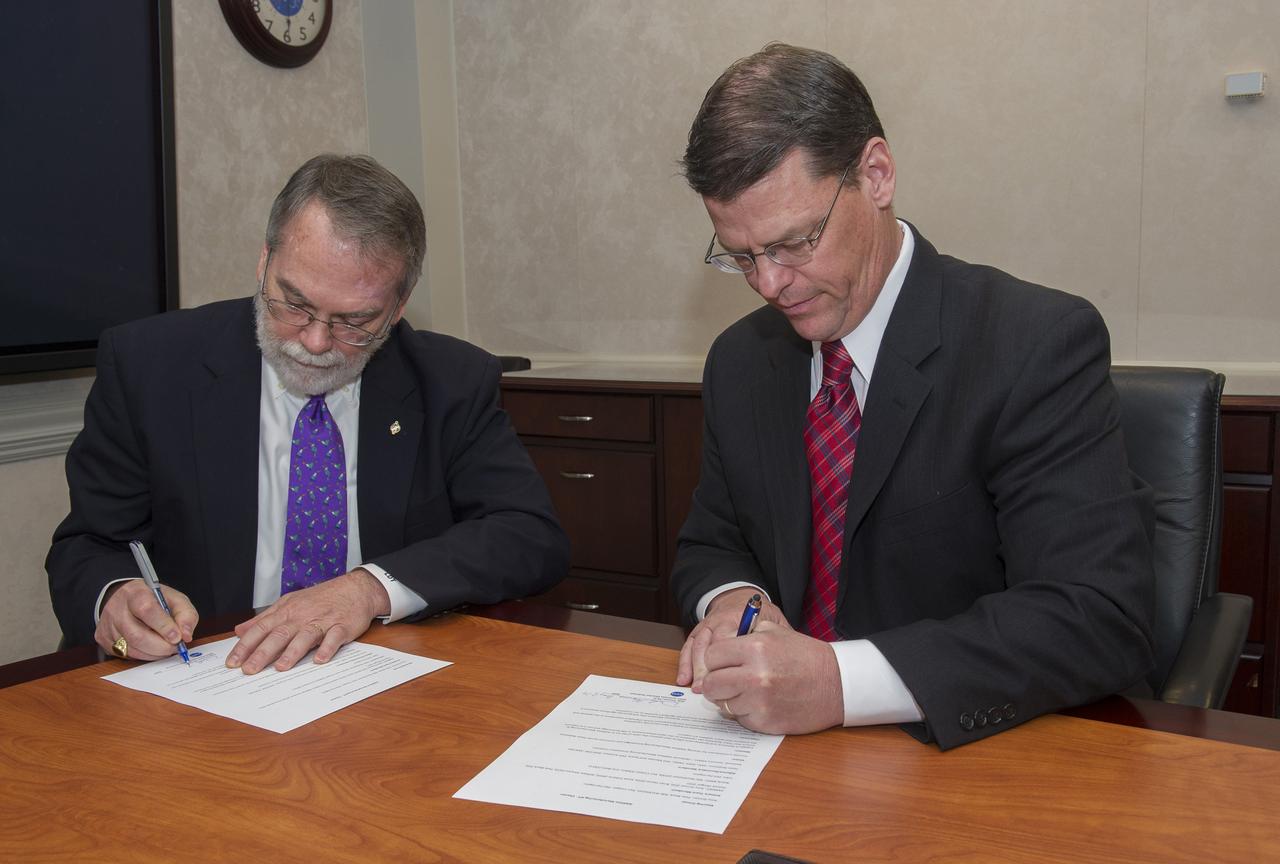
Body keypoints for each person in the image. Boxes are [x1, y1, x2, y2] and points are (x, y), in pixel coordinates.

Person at [672, 44, 1155, 749]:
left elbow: (1097, 615)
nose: (770, 285)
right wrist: (734, 601)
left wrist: (840, 682)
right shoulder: (742, 362)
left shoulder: (1031, 344)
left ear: (876, 174)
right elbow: (713, 541)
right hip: (776, 759)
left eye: (795, 242)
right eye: (741, 256)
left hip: (979, 762)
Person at [48, 154, 568, 674]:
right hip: (208, 677)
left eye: (355, 321)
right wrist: (114, 597)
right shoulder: (150, 367)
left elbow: (528, 535)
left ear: (399, 305)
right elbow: (89, 545)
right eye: (294, 304)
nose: (316, 342)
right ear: (264, 261)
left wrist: (369, 589)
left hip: (383, 681)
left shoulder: (451, 381)